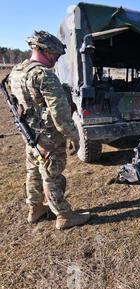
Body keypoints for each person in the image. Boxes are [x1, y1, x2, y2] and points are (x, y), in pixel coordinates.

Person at [9, 31, 91, 230]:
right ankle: (63, 215)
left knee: (33, 172)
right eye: (54, 54)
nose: (56, 59)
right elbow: (60, 112)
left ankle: (35, 208)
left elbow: (19, 105)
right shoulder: (44, 75)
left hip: (30, 134)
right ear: (44, 51)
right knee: (52, 175)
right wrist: (73, 136)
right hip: (47, 136)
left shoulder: (17, 71)